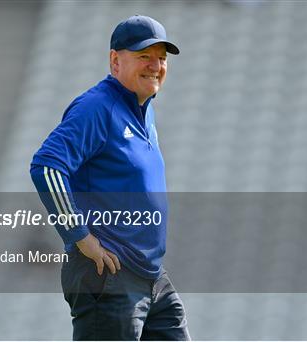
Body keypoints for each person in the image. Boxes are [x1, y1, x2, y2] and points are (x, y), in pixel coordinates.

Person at [30, 15, 189, 340]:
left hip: (149, 275)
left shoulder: (143, 109)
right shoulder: (97, 107)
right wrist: (80, 236)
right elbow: (46, 166)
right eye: (144, 56)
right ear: (115, 60)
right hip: (109, 273)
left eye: (161, 58)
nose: (155, 65)